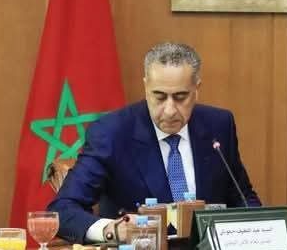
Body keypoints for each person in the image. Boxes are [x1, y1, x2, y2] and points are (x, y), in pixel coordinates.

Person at [48, 42, 261, 244]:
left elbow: (243, 198)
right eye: (159, 96)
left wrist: (262, 234)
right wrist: (112, 230)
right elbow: (63, 209)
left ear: (197, 89)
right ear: (146, 87)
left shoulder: (219, 125)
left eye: (180, 97)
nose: (169, 110)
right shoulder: (111, 133)